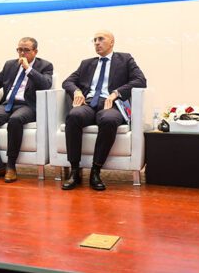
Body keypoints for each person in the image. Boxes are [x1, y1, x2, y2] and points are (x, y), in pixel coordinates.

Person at [62, 30, 146, 191]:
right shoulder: (86, 63)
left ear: (112, 42)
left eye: (101, 39)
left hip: (111, 104)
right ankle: (75, 171)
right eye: (94, 40)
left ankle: (96, 171)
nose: (97, 43)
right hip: (88, 104)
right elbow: (67, 82)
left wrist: (116, 93)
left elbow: (140, 80)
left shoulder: (125, 59)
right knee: (73, 116)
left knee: (109, 120)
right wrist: (77, 91)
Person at [0, 37, 53, 183]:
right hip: (8, 104)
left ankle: (11, 166)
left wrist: (28, 69)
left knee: (15, 120)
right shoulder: (10, 64)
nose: (22, 53)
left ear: (35, 51)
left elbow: (46, 84)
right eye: (19, 49)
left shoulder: (45, 65)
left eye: (26, 50)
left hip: (28, 106)